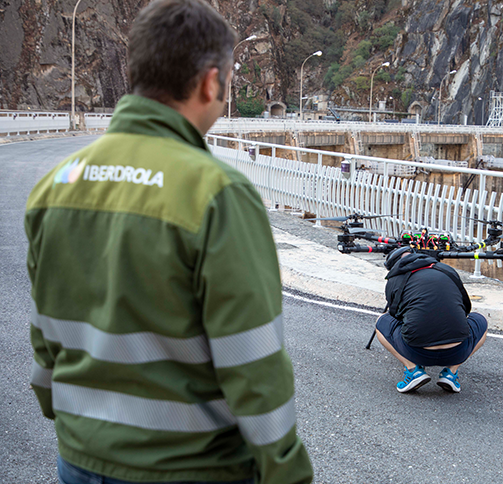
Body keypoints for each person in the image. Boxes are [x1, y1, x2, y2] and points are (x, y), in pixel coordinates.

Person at [25, 1, 313, 483]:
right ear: (210, 82)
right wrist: (286, 471)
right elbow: (252, 361)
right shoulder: (217, 194)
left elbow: (46, 331)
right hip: (189, 467)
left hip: (80, 456)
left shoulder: (56, 184)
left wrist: (71, 416)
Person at [375, 247, 488, 393]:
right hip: (458, 351)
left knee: (382, 321)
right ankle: (451, 373)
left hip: (416, 351)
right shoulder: (446, 270)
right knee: (480, 320)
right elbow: (466, 307)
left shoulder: (395, 279)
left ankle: (413, 370)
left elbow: (395, 315)